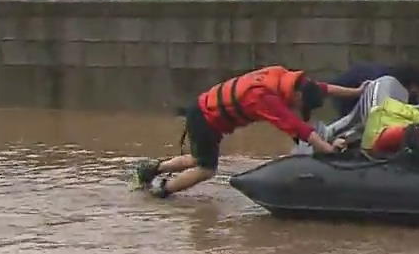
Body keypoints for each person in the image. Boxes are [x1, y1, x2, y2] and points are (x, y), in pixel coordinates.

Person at [133, 65, 366, 198]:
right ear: (298, 96)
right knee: (206, 169)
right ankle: (162, 192)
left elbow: (324, 89)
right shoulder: (263, 98)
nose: (297, 109)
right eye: (300, 106)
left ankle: (151, 170)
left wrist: (356, 92)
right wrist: (329, 150)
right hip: (205, 118)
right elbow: (298, 128)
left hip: (203, 111)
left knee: (198, 158)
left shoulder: (288, 79)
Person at [327, 62, 419, 118]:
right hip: (348, 88)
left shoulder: (399, 82)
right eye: (414, 90)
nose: (414, 93)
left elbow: (411, 103)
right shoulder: (385, 82)